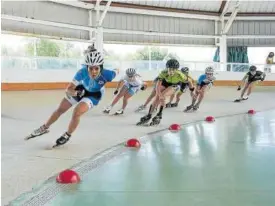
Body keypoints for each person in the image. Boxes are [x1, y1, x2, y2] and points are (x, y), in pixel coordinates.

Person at [25, 51, 118, 148]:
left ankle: (67, 134)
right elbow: (69, 88)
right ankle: (44, 128)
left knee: (77, 111)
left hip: (94, 95)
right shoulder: (82, 72)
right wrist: (75, 93)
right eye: (90, 68)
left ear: (101, 67)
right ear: (87, 67)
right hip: (81, 89)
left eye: (96, 68)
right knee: (60, 109)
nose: (93, 71)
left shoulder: (108, 74)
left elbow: (117, 70)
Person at [137, 59, 194, 126]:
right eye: (170, 69)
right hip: (165, 83)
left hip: (175, 85)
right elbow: (158, 84)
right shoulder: (163, 72)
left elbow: (189, 81)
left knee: (163, 96)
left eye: (173, 69)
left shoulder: (180, 75)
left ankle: (159, 115)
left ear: (177, 69)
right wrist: (159, 94)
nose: (171, 71)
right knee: (157, 97)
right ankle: (149, 115)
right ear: (167, 68)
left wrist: (192, 91)